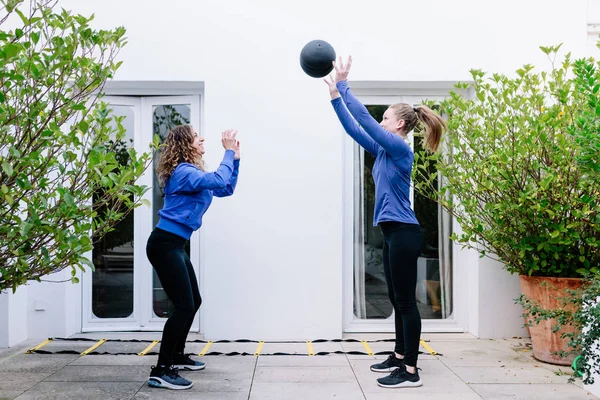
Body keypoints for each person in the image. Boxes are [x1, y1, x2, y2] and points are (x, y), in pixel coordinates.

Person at [324, 56, 446, 389]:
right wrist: (336, 98)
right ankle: (398, 354)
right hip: (394, 232)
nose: (382, 119)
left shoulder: (400, 148)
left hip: (405, 233)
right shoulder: (383, 150)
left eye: (386, 117)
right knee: (396, 298)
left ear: (400, 125)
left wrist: (345, 83)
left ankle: (410, 370)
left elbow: (363, 118)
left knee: (406, 301)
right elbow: (354, 127)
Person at [145, 125, 240, 390]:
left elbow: (225, 187)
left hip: (175, 244)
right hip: (165, 244)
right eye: (198, 137)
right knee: (184, 305)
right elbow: (219, 179)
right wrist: (228, 152)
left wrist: (236, 159)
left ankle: (176, 355)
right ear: (187, 143)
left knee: (193, 301)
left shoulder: (193, 174)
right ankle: (161, 369)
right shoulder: (185, 173)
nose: (202, 139)